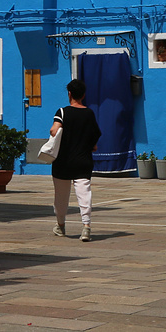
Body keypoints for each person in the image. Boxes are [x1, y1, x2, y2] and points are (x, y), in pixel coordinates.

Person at [50, 78, 101, 241]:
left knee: (61, 196)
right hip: (83, 160)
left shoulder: (62, 112)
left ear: (69, 94)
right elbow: (95, 139)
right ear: (83, 95)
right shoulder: (89, 114)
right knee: (84, 194)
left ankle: (60, 226)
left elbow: (54, 130)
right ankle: (86, 227)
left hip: (63, 161)